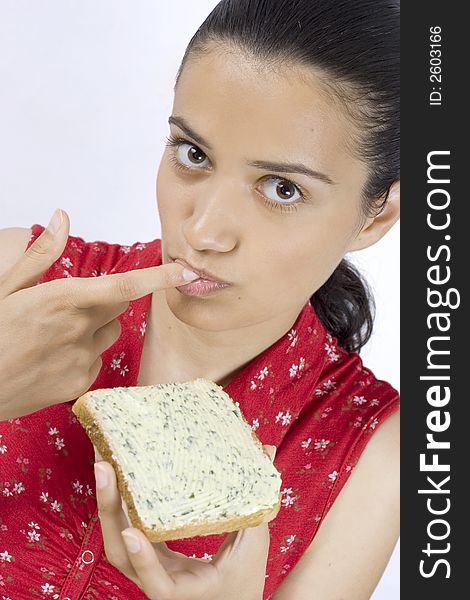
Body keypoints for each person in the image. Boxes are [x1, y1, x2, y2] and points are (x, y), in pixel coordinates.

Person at [0, 0, 400, 598]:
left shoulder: (373, 452)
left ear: (377, 215)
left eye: (282, 189)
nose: (204, 232)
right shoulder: (22, 280)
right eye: (193, 154)